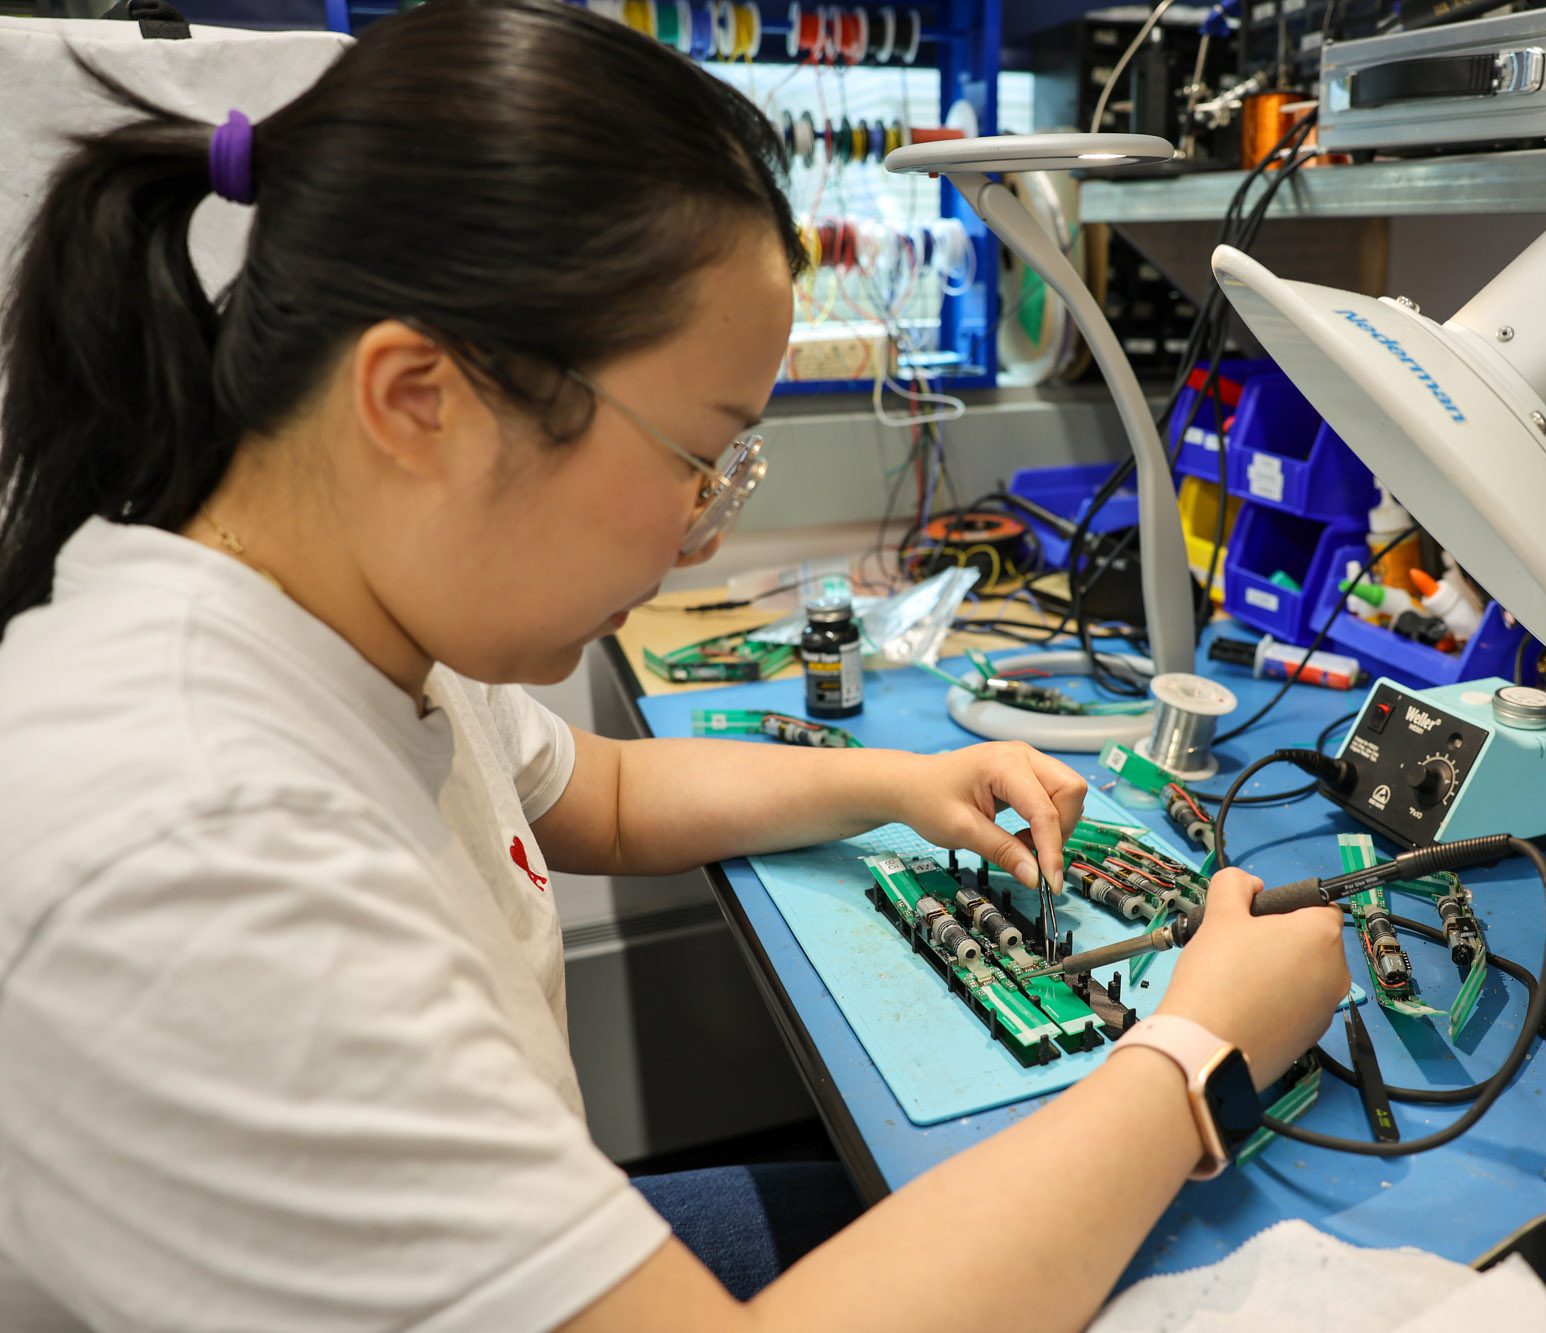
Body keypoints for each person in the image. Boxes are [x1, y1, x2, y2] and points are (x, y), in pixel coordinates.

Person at [0, 3, 1349, 1329]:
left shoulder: (341, 620)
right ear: (419, 400)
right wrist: (1194, 1055)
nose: (706, 531)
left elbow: (601, 793)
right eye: (697, 457)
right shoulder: (197, 857)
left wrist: (904, 785)